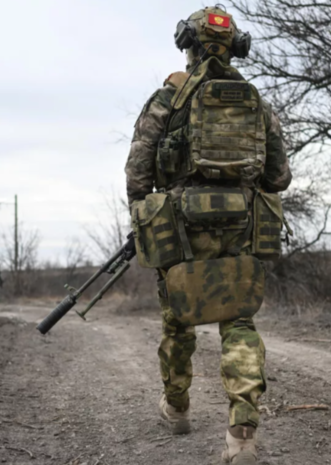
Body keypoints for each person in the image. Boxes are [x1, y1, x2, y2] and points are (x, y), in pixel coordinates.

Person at [124, 6, 292, 464]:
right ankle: (241, 432)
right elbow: (278, 177)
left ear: (189, 45)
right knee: (238, 321)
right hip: (240, 224)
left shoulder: (168, 99)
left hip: (183, 225)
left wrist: (149, 211)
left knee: (178, 319)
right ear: (234, 47)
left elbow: (137, 177)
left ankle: (177, 407)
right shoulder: (255, 100)